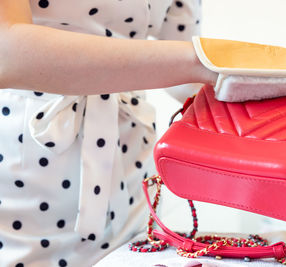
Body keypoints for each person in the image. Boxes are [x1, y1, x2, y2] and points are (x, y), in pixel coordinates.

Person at [0, 0, 217, 266]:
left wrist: (258, 101)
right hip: (26, 165)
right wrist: (205, 61)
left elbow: (188, 72)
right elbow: (6, 49)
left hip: (131, 164)